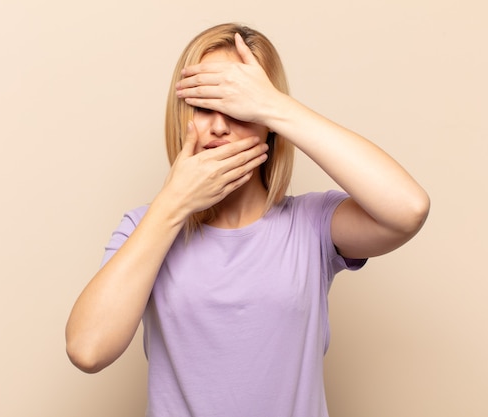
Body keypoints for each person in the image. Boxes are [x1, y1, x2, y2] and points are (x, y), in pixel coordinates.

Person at [65, 23, 430, 417]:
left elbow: (408, 209)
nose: (219, 126)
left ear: (268, 126)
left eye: (238, 107)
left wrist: (274, 105)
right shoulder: (146, 227)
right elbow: (87, 349)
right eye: (204, 107)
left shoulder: (310, 225)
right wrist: (172, 205)